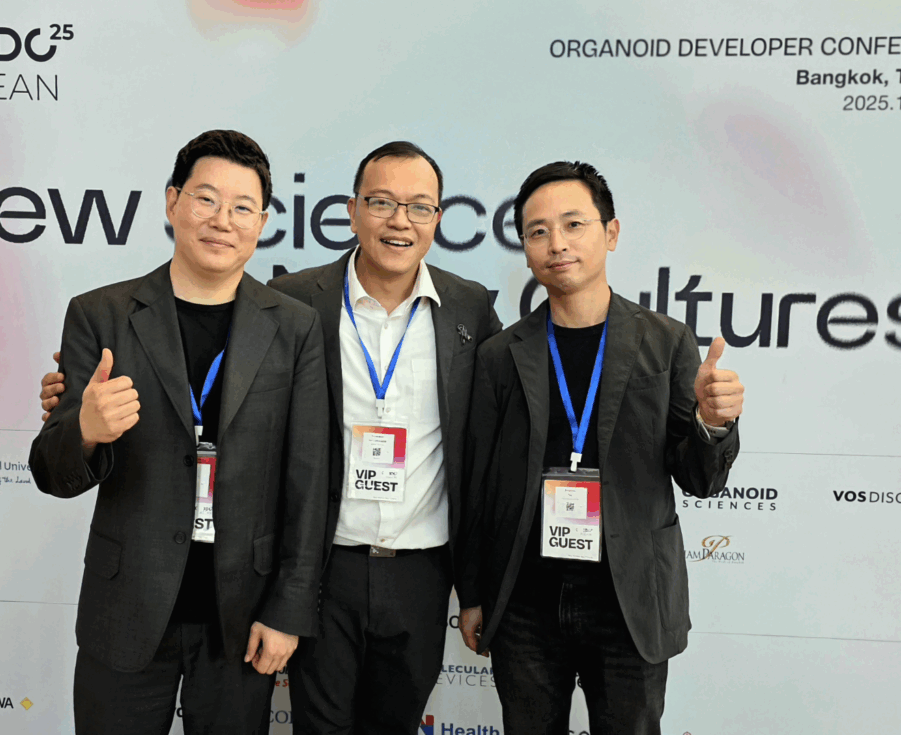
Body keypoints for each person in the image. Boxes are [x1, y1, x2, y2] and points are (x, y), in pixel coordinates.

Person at [29, 129, 329, 735]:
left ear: (262, 222)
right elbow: (51, 472)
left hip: (241, 615)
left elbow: (308, 478)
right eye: (206, 199)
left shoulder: (294, 328)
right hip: (127, 606)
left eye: (242, 207)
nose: (222, 221)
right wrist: (85, 430)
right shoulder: (101, 314)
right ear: (172, 202)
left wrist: (290, 609)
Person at [455, 161, 744, 735]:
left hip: (629, 597)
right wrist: (473, 593)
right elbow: (478, 485)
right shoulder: (500, 354)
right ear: (525, 250)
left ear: (610, 233)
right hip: (526, 601)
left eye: (573, 225)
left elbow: (700, 478)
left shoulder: (665, 341)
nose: (556, 244)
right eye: (538, 232)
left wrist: (713, 424)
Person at [266, 141, 501, 734]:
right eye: (381, 203)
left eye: (419, 207)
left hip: (422, 574)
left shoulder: (468, 307)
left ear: (438, 220)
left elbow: (500, 431)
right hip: (326, 567)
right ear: (352, 211)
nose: (401, 221)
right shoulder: (296, 299)